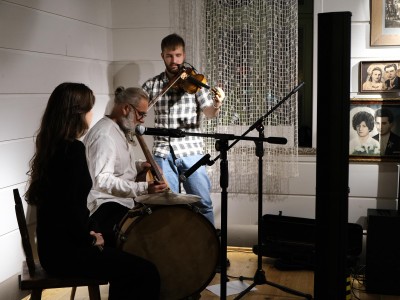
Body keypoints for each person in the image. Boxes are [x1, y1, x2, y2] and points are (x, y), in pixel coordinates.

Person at [25, 82, 160, 299]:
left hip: (54, 249)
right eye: (89, 109)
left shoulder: (54, 147)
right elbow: (73, 209)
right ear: (77, 114)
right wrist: (90, 238)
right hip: (66, 254)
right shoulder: (72, 150)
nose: (91, 114)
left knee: (128, 266)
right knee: (146, 271)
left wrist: (87, 233)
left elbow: (66, 208)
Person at [142, 33, 225, 225]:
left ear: (184, 55)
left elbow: (209, 112)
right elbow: (138, 111)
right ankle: (175, 252)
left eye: (178, 55)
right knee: (166, 205)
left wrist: (217, 103)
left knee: (202, 203)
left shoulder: (195, 83)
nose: (174, 60)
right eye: (170, 56)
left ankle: (207, 251)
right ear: (162, 55)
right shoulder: (152, 85)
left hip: (191, 151)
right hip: (162, 152)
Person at [83, 86, 167, 247]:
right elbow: (102, 180)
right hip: (104, 207)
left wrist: (140, 166)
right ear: (126, 108)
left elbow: (117, 167)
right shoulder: (105, 136)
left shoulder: (118, 130)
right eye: (141, 114)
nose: (142, 120)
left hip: (120, 202)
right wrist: (143, 187)